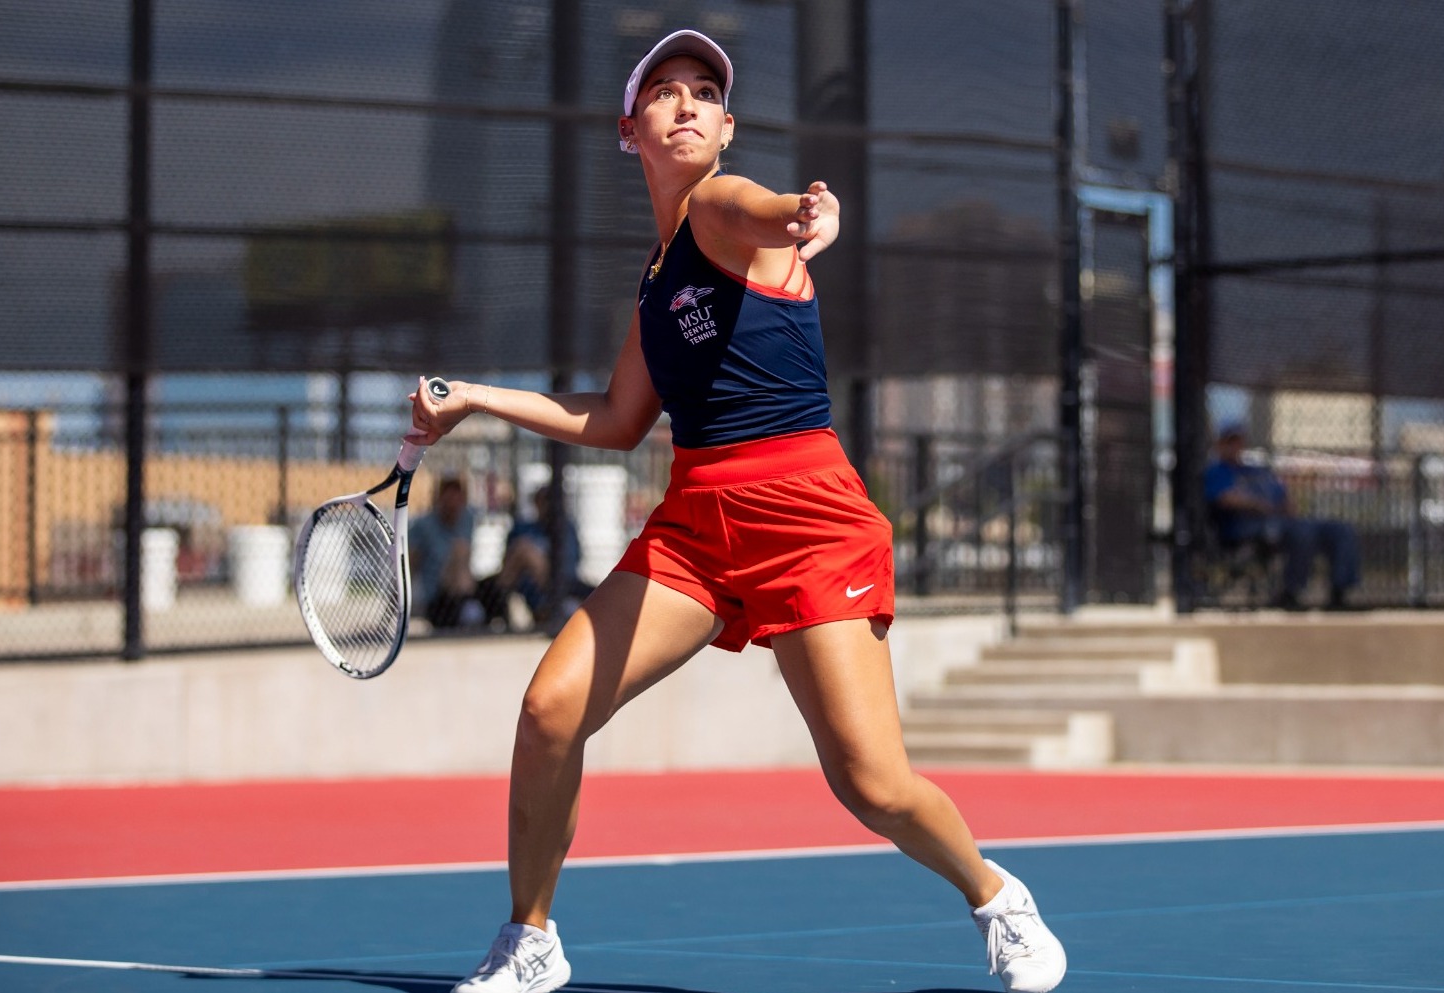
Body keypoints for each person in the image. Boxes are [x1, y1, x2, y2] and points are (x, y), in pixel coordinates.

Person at [407, 29, 1066, 993]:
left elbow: (764, 207)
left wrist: (804, 212)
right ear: (628, 130)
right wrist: (474, 396)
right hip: (697, 523)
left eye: (704, 92)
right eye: (663, 91)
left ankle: (995, 895)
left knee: (871, 785)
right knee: (551, 710)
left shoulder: (722, 205)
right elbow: (616, 418)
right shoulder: (654, 279)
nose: (685, 102)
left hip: (807, 515)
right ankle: (531, 939)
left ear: (724, 127)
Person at [1203, 420, 1361, 609]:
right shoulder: (1216, 471)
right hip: (1246, 527)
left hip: (1282, 520)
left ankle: (1340, 591)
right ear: (1220, 444)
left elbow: (1284, 497)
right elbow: (1225, 499)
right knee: (1302, 532)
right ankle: (1291, 592)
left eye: (1238, 441)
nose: (1236, 446)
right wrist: (1259, 505)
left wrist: (1285, 506)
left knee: (1340, 530)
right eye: (1230, 441)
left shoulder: (1257, 470)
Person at [477, 486, 589, 631]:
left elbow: (568, 569)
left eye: (551, 502)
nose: (548, 507)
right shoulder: (524, 528)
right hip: (527, 589)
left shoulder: (566, 529)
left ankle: (556, 608)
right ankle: (501, 607)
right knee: (522, 549)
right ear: (536, 503)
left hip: (559, 587)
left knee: (526, 550)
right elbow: (507, 566)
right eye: (543, 501)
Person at [408, 476, 482, 629]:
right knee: (458, 549)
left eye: (457, 495)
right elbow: (410, 565)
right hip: (437, 597)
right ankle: (470, 607)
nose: (453, 502)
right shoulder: (423, 525)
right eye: (448, 495)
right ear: (439, 498)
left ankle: (468, 605)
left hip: (462, 587)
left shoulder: (466, 519)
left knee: (460, 550)